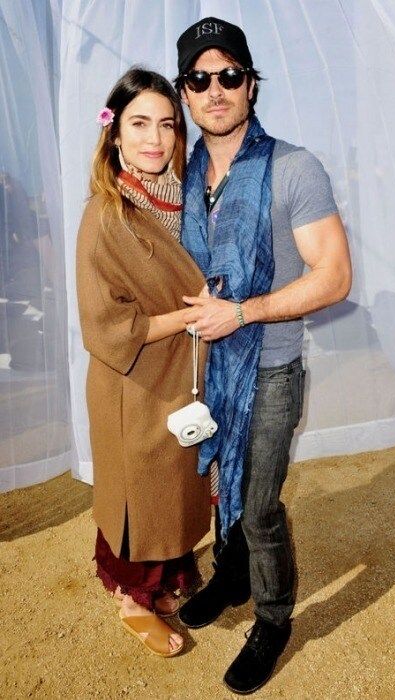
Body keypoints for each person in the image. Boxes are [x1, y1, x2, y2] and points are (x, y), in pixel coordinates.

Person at [174, 17, 352, 693]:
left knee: (259, 501)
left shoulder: (292, 167)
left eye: (229, 75)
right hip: (205, 366)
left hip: (271, 365)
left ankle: (273, 620)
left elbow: (334, 276)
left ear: (251, 85)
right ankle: (232, 573)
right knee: (220, 483)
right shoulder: (183, 174)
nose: (214, 90)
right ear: (185, 95)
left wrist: (242, 311)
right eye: (199, 78)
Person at [76, 67, 211, 658]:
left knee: (181, 482)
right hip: (134, 381)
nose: (155, 138)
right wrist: (191, 316)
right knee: (142, 488)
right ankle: (133, 595)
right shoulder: (106, 214)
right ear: (114, 134)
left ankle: (170, 577)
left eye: (166, 124)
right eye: (139, 123)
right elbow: (107, 327)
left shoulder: (189, 198)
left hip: (185, 370)